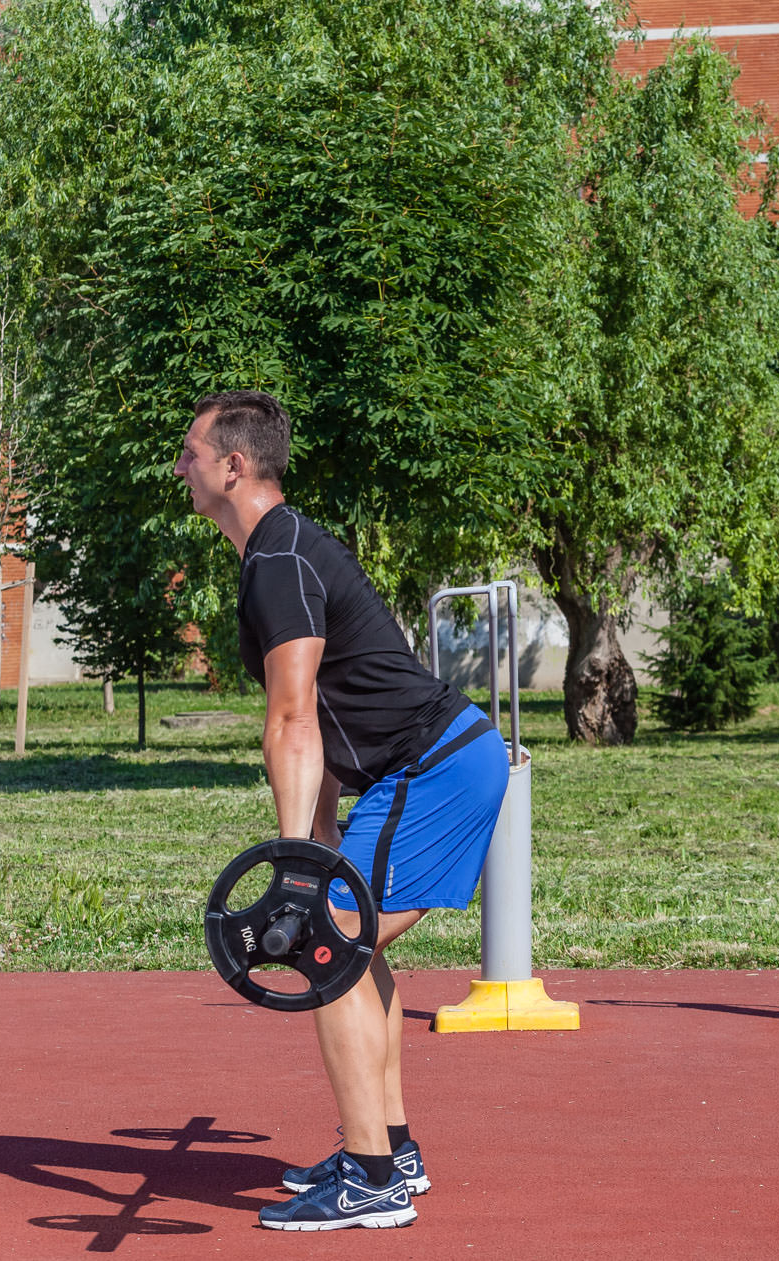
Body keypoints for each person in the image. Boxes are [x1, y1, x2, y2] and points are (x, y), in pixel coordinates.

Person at [174, 389, 510, 1232]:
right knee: (346, 943)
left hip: (431, 769)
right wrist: (315, 847)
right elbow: (318, 721)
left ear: (233, 466)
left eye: (190, 453)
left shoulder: (278, 559)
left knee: (328, 945)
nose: (180, 467)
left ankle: (370, 1181)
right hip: (422, 770)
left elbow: (289, 719)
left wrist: (294, 865)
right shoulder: (279, 552)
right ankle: (388, 1149)